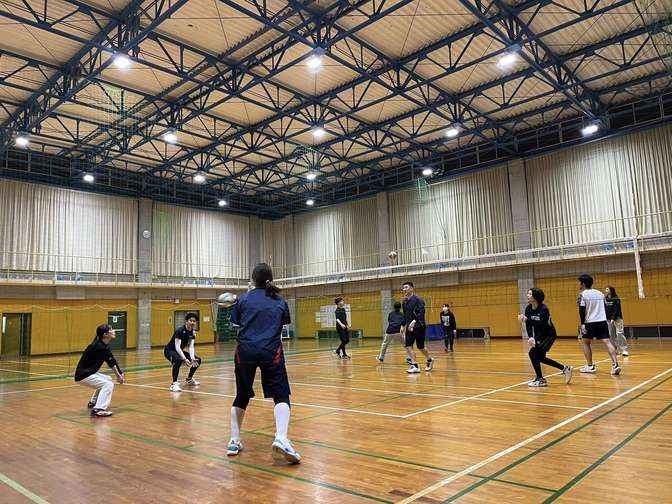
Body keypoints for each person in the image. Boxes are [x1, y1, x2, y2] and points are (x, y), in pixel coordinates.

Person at [226, 263, 300, 464]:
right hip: (270, 351)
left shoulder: (243, 300)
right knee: (281, 395)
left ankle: (234, 441)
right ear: (271, 279)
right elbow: (282, 322)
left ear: (253, 280)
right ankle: (281, 437)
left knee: (241, 395)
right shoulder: (280, 301)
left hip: (245, 351)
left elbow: (236, 323)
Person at [522, 288, 573, 387]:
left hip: (548, 335)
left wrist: (527, 321)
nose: (527, 296)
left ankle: (540, 379)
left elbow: (543, 327)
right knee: (540, 357)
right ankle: (565, 369)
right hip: (539, 334)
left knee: (532, 353)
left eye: (530, 294)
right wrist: (531, 337)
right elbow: (529, 325)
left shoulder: (544, 309)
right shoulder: (528, 308)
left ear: (536, 297)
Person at [74, 324, 125, 417]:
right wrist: (118, 376)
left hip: (88, 373)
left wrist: (120, 374)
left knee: (108, 379)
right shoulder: (99, 347)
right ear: (105, 334)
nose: (114, 331)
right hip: (83, 375)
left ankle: (93, 402)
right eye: (111, 330)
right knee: (108, 384)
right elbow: (111, 363)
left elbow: (112, 360)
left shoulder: (103, 345)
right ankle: (98, 409)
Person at [577, 274, 621, 375]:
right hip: (602, 321)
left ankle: (590, 366)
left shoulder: (582, 295)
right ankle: (615, 364)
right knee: (607, 342)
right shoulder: (600, 293)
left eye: (579, 282)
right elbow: (605, 306)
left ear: (583, 283)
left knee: (586, 342)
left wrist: (582, 324)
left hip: (589, 322)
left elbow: (581, 310)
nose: (579, 284)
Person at [164, 312, 202, 392]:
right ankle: (174, 384)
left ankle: (189, 379)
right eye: (190, 320)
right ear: (186, 321)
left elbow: (191, 346)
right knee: (178, 360)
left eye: (194, 321)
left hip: (179, 351)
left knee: (197, 360)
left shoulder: (193, 332)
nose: (192, 322)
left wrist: (192, 358)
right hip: (170, 350)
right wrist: (184, 359)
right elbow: (177, 347)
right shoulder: (180, 331)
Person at [402, 281, 434, 373]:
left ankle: (429, 359)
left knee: (420, 347)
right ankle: (415, 365)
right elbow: (405, 315)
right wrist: (402, 325)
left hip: (419, 325)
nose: (404, 289)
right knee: (408, 346)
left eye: (406, 287)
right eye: (403, 288)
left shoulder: (418, 300)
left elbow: (422, 312)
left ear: (412, 288)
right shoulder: (404, 301)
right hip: (409, 327)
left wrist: (414, 321)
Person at [605, 286, 629, 357]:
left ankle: (624, 349)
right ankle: (615, 349)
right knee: (611, 335)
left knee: (619, 333)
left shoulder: (616, 298)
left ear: (611, 290)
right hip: (608, 319)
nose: (605, 290)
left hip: (617, 318)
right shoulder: (605, 299)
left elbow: (616, 309)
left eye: (607, 289)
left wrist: (613, 318)